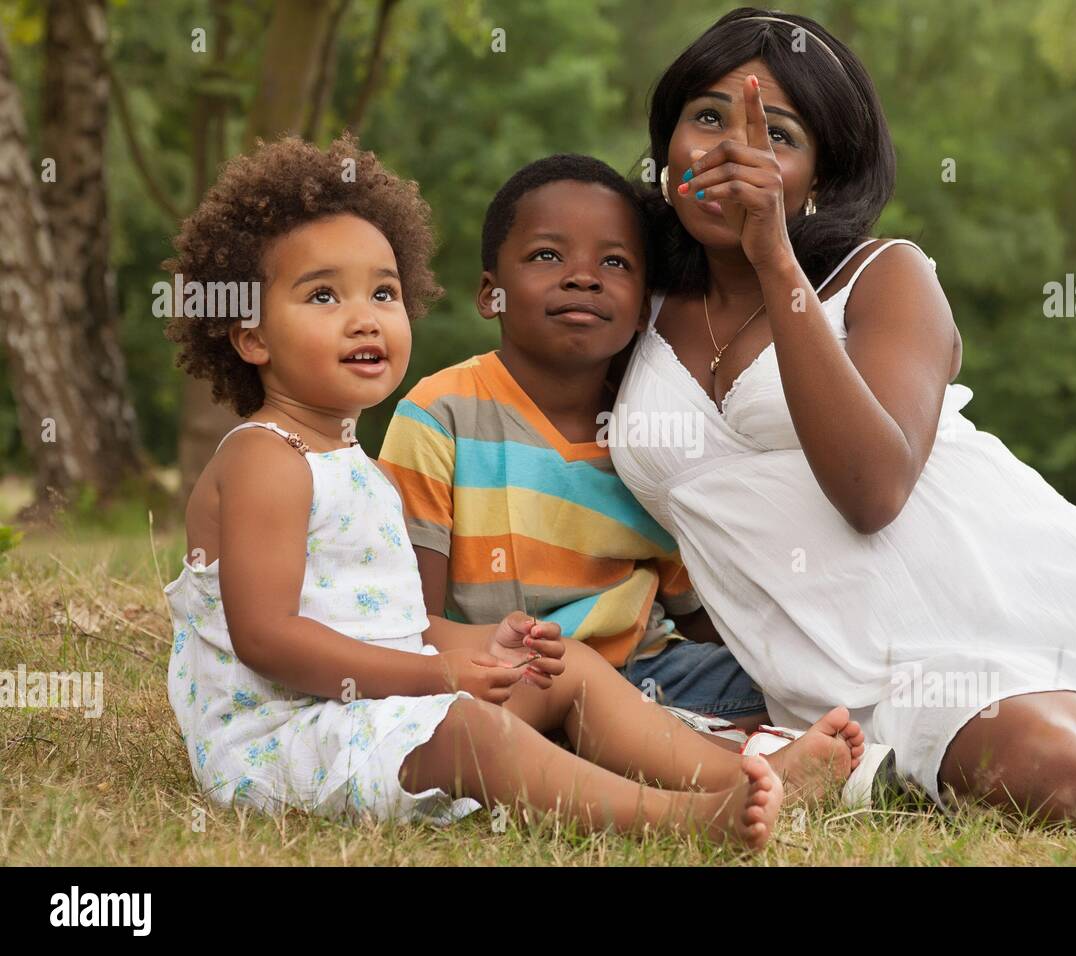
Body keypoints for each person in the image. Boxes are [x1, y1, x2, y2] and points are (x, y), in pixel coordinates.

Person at [609, 8, 1076, 833]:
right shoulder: (626, 301)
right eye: (709, 118)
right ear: (668, 145)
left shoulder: (884, 275)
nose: (734, 151)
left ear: (821, 177)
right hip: (879, 675)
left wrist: (772, 257)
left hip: (1048, 595)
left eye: (778, 136)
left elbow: (872, 488)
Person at [161, 133, 863, 848]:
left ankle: (745, 772)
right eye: (322, 296)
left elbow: (394, 624)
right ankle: (684, 821)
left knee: (564, 670)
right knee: (477, 732)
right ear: (251, 337)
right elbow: (267, 639)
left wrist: (484, 647)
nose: (365, 316)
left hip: (371, 710)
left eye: (383, 292)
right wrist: (438, 675)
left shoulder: (356, 466)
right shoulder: (265, 459)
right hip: (286, 735)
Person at [379, 154, 770, 732]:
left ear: (642, 309)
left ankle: (730, 738)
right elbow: (413, 625)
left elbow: (696, 611)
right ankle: (711, 750)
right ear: (492, 295)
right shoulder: (441, 416)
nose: (583, 276)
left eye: (614, 262)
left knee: (794, 680)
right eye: (546, 255)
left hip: (654, 672)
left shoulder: (648, 435)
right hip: (506, 678)